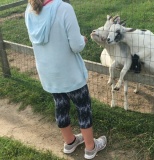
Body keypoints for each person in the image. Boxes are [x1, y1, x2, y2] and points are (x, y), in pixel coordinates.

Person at [24, 0, 107, 159]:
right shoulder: (64, 8)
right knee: (83, 107)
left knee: (60, 105)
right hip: (69, 73)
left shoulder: (29, 10)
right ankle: (90, 147)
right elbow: (76, 45)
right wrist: (82, 40)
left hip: (49, 72)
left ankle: (70, 142)